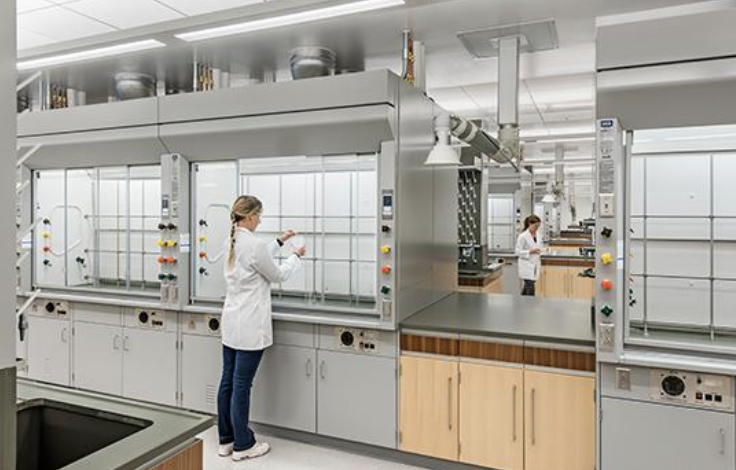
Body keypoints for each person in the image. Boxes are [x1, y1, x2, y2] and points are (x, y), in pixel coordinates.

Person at [217, 195, 306, 461]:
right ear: (251, 216)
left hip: (232, 324)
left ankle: (226, 440)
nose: (260, 220)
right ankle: (243, 445)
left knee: (228, 382)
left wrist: (279, 241)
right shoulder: (253, 245)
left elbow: (256, 258)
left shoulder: (230, 241)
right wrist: (295, 255)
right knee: (241, 386)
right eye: (259, 215)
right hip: (250, 326)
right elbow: (277, 274)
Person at [515, 215, 543, 296]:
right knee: (530, 288)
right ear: (529, 224)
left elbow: (538, 246)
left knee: (527, 288)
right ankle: (531, 304)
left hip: (535, 264)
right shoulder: (523, 236)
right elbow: (517, 252)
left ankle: (521, 301)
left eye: (538, 226)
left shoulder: (539, 235)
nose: (537, 228)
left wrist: (543, 250)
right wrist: (530, 252)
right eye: (535, 226)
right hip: (526, 265)